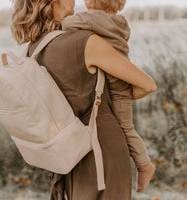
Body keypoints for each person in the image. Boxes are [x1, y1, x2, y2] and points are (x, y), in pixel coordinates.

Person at [11, 0, 157, 199]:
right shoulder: (86, 41)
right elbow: (147, 85)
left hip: (69, 155)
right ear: (56, 2)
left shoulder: (33, 51)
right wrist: (115, 97)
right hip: (104, 152)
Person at [61, 0, 156, 193]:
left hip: (112, 83)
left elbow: (66, 24)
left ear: (88, 3)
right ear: (121, 5)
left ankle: (144, 165)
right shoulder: (120, 22)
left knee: (125, 128)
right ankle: (143, 164)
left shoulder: (89, 19)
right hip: (123, 83)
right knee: (128, 126)